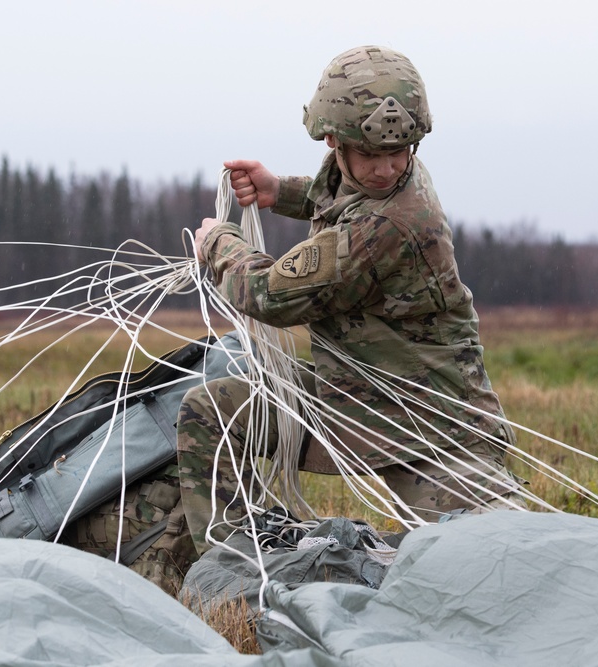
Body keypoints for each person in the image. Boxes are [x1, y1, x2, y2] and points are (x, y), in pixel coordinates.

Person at [177, 45, 525, 557]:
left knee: (496, 560)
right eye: (370, 154)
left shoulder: (394, 221)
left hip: (431, 431)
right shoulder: (376, 182)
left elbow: (267, 294)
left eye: (399, 153)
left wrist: (218, 244)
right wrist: (281, 192)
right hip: (352, 397)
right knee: (215, 411)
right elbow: (341, 199)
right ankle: (232, 566)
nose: (386, 169)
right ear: (334, 141)